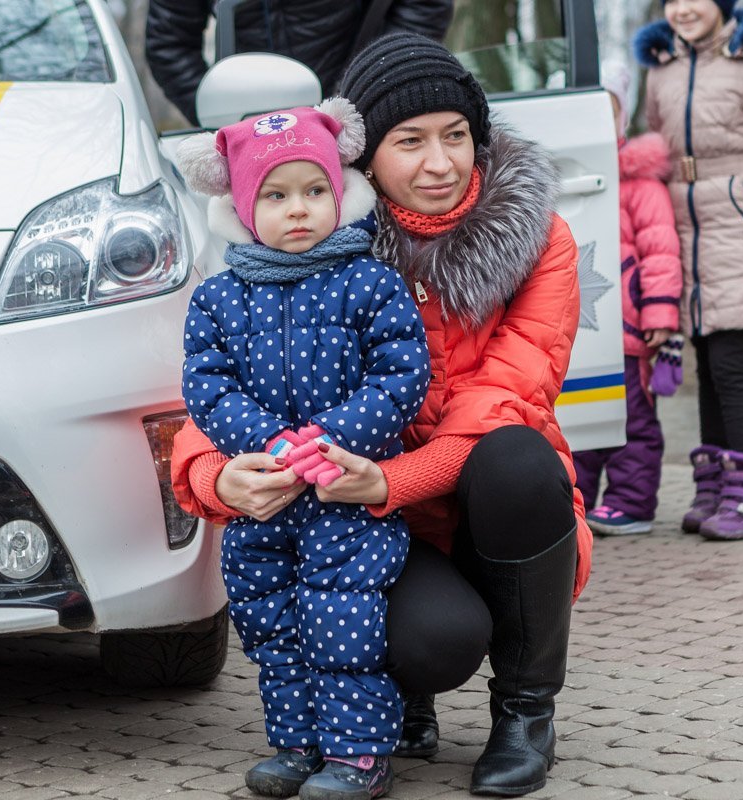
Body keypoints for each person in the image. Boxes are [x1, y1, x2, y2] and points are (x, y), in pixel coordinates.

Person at [171, 32, 592, 797]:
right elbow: (214, 391)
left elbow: (503, 395)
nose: (440, 163)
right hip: (368, 531)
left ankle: (526, 712)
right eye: (411, 141)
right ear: (364, 158)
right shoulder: (304, 242)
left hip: (471, 502)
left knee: (522, 458)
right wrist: (215, 476)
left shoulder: (540, 242)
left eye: (457, 136)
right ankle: (396, 706)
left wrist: (389, 481)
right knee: (432, 639)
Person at [175, 101, 431, 799]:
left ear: (339, 192)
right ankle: (296, 744)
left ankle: (359, 753)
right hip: (265, 495)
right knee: (271, 621)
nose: (299, 210)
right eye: (276, 196)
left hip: (339, 493)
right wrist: (265, 442)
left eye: (315, 191)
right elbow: (207, 384)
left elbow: (401, 372)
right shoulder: (220, 298)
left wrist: (332, 439)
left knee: (342, 619)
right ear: (241, 207)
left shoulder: (369, 281)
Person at [634, 0, 743, 540]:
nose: (683, 9)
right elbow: (655, 141)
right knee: (705, 363)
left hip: (738, 223)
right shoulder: (661, 66)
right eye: (673, 1)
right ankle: (715, 483)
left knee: (730, 360)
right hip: (684, 227)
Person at [572, 60, 682, 537]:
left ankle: (632, 501)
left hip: (630, 329)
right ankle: (579, 498)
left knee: (632, 421)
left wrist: (660, 314)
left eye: (607, 110)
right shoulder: (569, 176)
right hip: (586, 329)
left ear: (619, 117)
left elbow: (661, 252)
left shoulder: (639, 184)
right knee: (580, 416)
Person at [145, 0, 453, 125]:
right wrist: (227, 122)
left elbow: (424, 8)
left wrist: (354, 104)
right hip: (251, 129)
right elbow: (169, 45)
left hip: (358, 118)